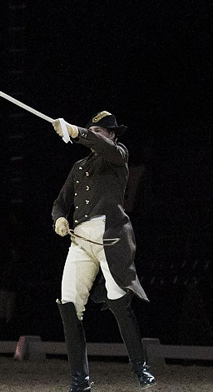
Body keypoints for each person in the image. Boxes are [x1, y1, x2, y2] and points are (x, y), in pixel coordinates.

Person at [51, 111, 156, 391]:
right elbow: (60, 203)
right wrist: (59, 219)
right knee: (69, 305)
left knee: (119, 302)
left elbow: (102, 146)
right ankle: (80, 381)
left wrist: (77, 132)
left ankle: (141, 368)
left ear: (112, 135)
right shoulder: (78, 167)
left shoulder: (118, 155)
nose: (95, 135)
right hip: (80, 241)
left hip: (110, 238)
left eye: (100, 132)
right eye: (92, 131)